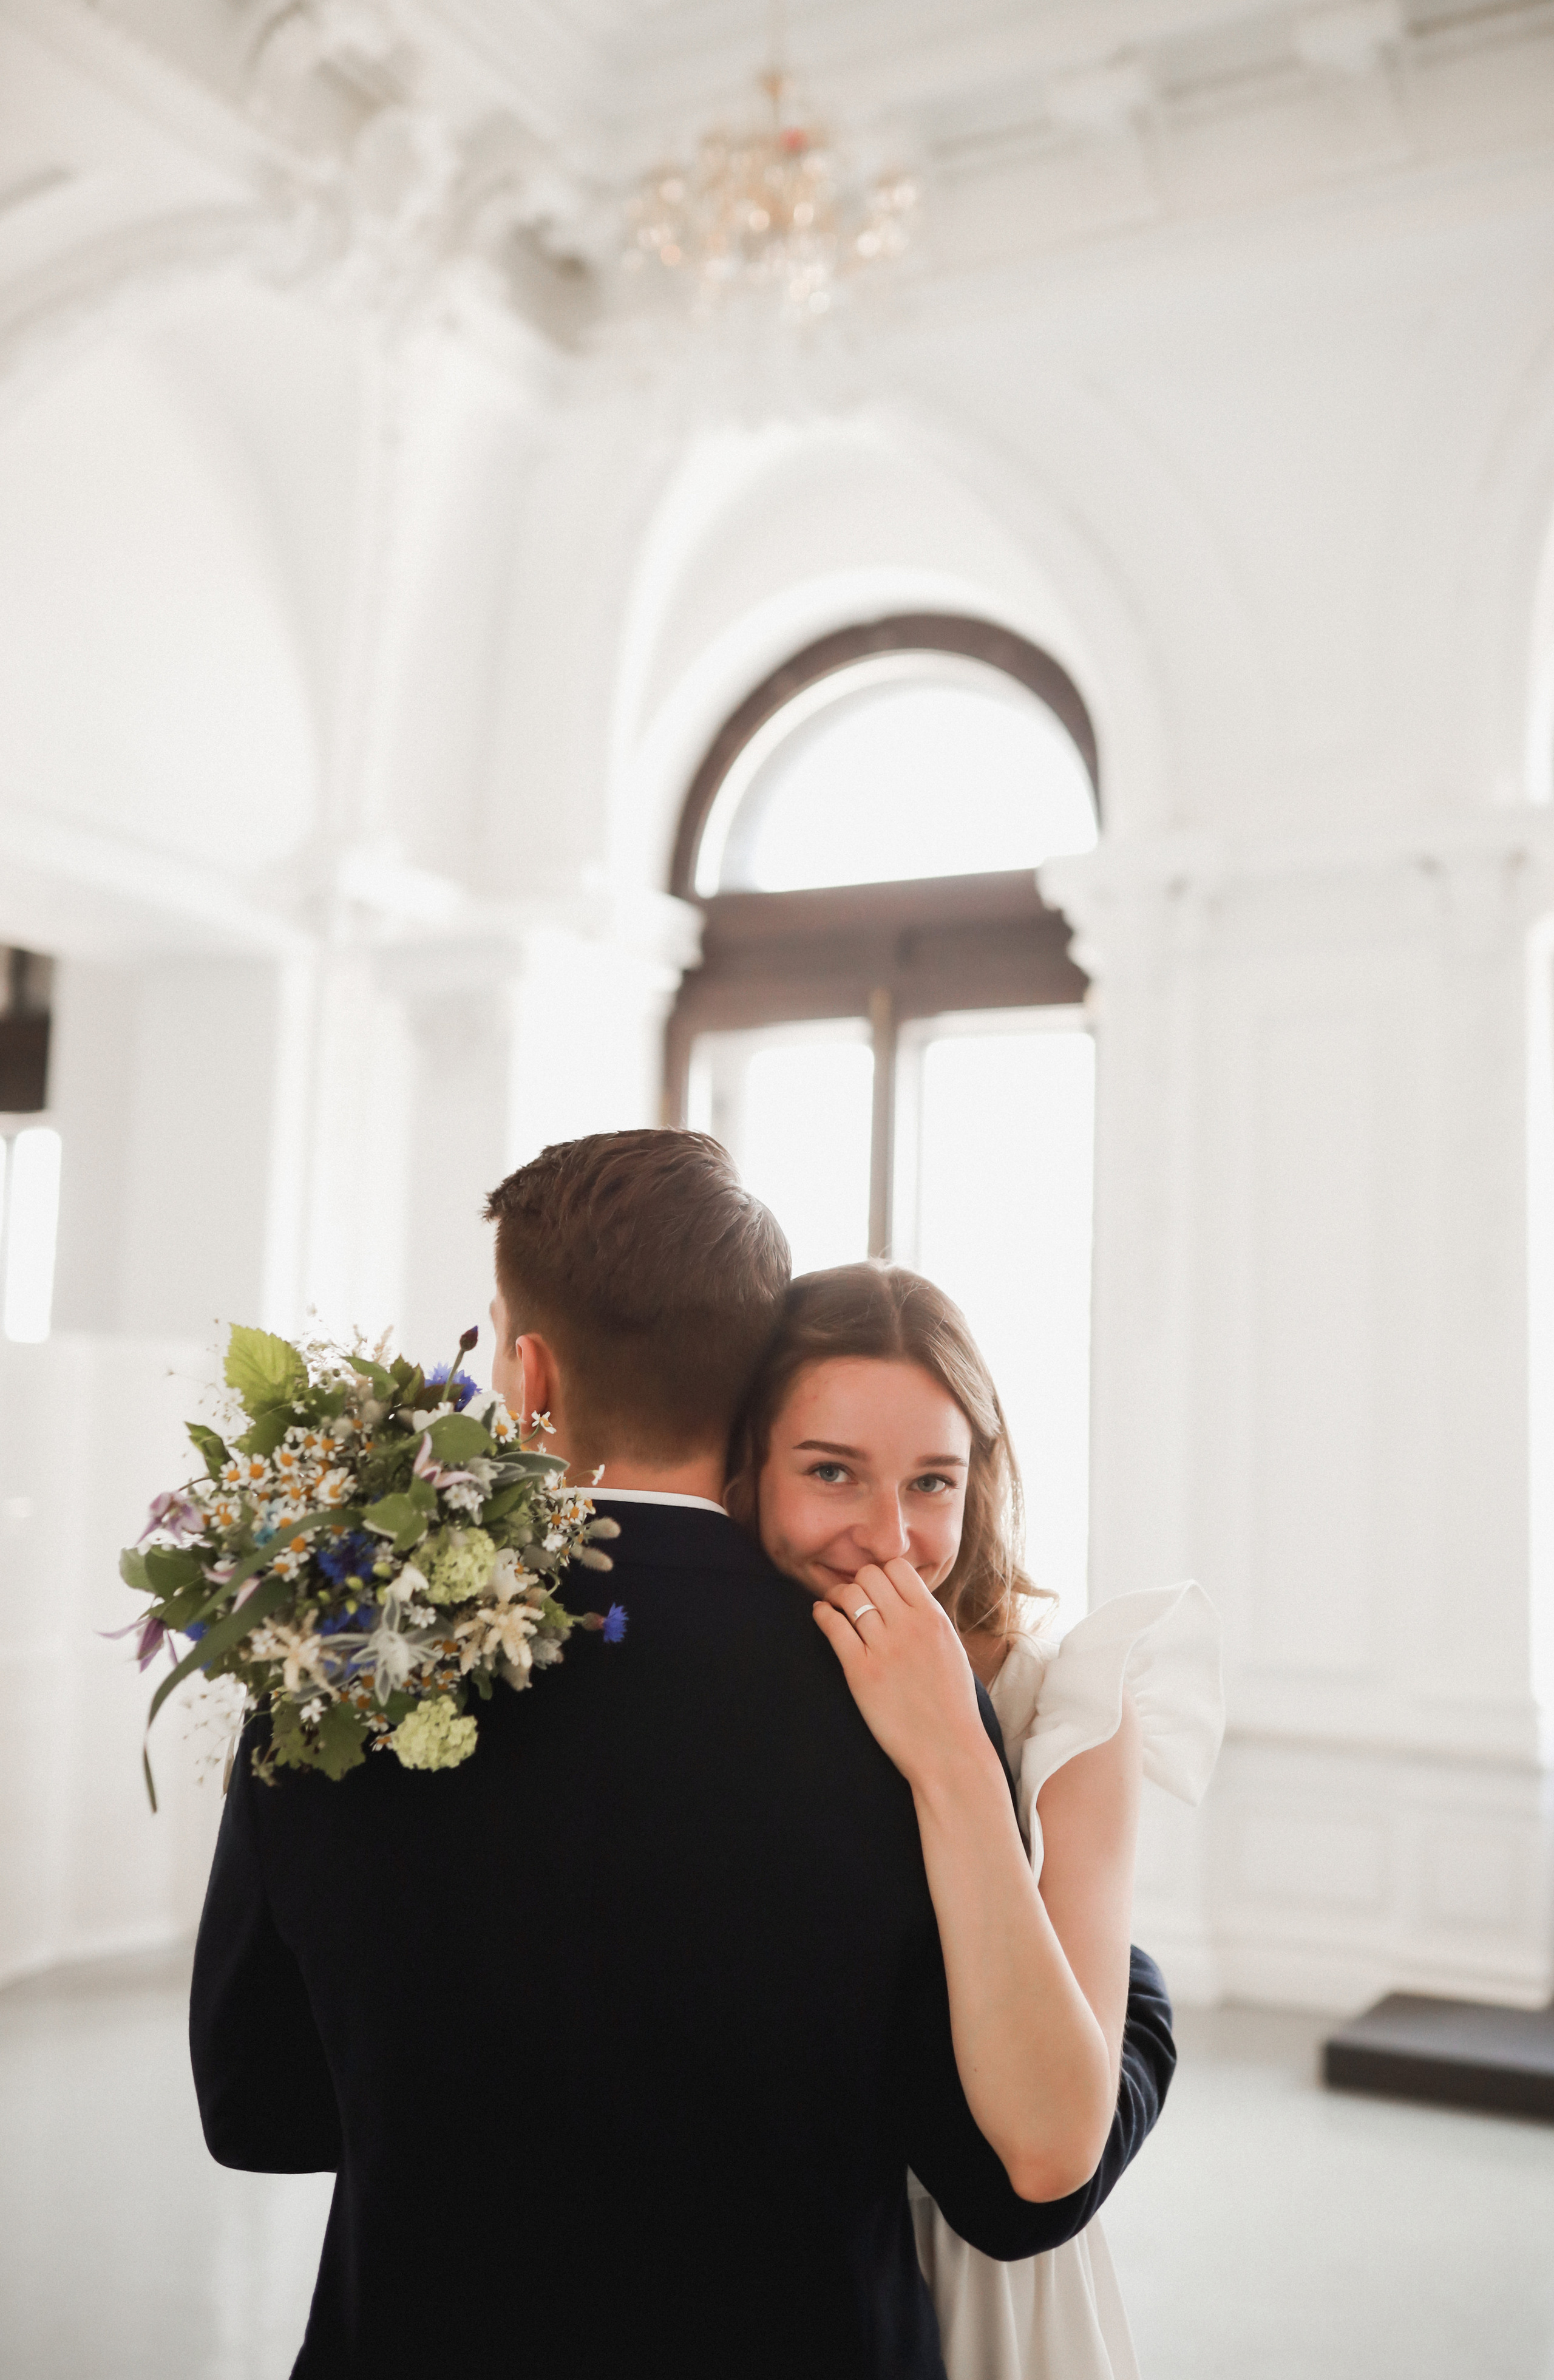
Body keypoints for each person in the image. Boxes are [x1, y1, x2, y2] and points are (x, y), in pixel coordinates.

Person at [190, 1129, 1177, 2380]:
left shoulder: (333, 1649)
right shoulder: (897, 1698)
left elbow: (256, 2106)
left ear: (530, 1371)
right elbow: (1008, 2186)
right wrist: (1132, 2001)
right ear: (753, 1382)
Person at [727, 1262, 1223, 2380]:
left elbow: (1049, 2148)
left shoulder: (1070, 1706)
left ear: (979, 1485)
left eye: (933, 1484)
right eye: (832, 1472)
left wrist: (953, 1742)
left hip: (992, 2286)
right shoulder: (700, 1676)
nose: (891, 1539)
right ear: (747, 1465)